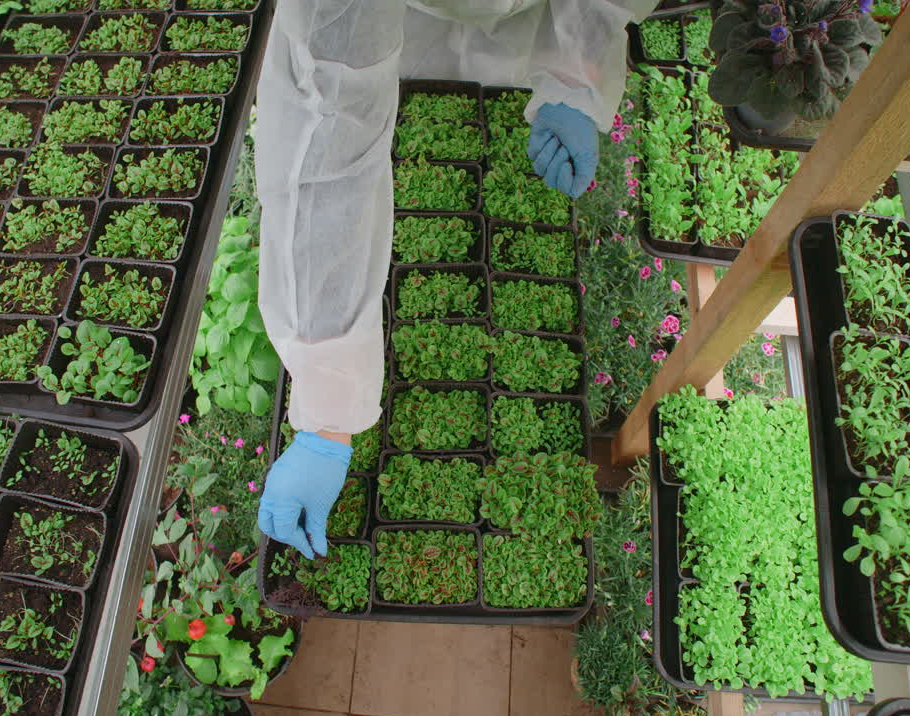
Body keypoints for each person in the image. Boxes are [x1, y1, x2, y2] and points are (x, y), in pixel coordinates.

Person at [256, 0, 660, 559]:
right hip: (397, 28)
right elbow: (330, 124)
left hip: (526, 25)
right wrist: (328, 415)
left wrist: (576, 70)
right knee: (366, 100)